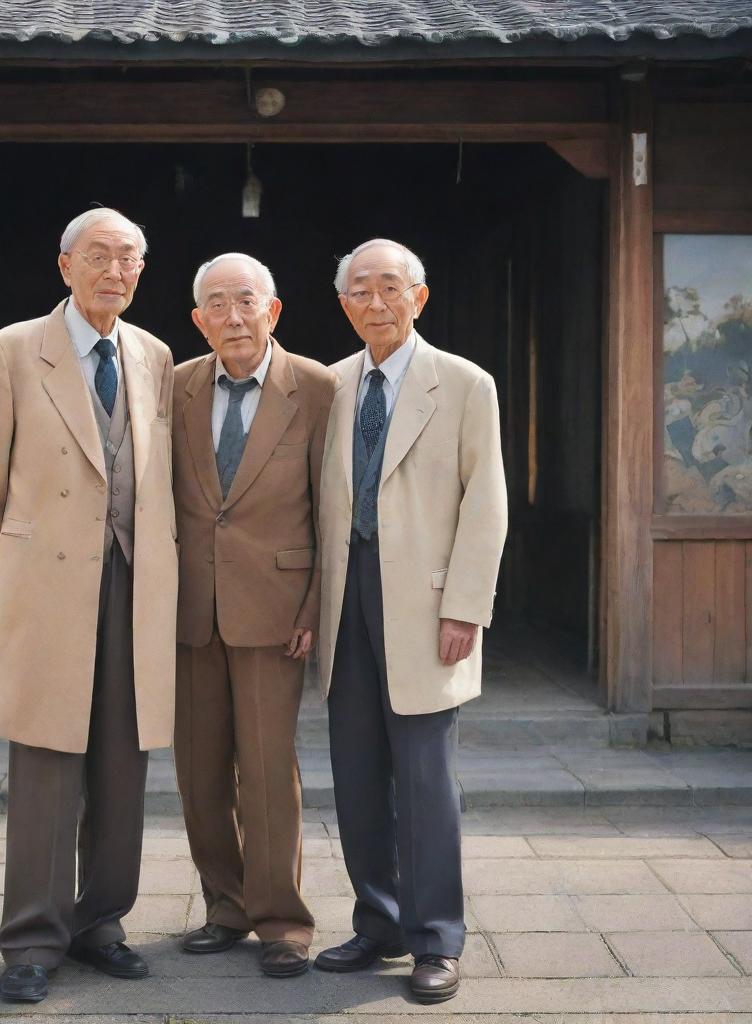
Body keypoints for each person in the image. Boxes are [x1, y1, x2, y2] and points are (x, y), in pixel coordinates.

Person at [0, 208, 177, 1004]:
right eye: (99, 256)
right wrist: (26, 550)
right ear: (64, 265)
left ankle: (101, 923)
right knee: (46, 761)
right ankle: (32, 941)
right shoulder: (12, 350)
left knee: (124, 757)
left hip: (134, 580)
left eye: (130, 259)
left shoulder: (153, 354)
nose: (115, 271)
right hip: (49, 583)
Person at [313, 239, 508, 1004]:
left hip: (428, 604)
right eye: (360, 291)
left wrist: (466, 605)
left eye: (390, 287)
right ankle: (379, 921)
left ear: (418, 298)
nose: (376, 302)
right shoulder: (330, 385)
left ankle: (436, 939)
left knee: (426, 778)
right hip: (344, 596)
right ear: (344, 305)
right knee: (356, 772)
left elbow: (485, 501)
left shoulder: (463, 384)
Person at [171, 253, 335, 977]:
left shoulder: (320, 388)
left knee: (267, 770)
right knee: (198, 769)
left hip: (276, 608)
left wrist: (314, 604)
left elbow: (337, 508)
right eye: (217, 304)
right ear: (198, 319)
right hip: (189, 605)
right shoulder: (173, 386)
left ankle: (281, 922)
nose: (232, 316)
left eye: (246, 302)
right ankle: (224, 907)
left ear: (273, 311)